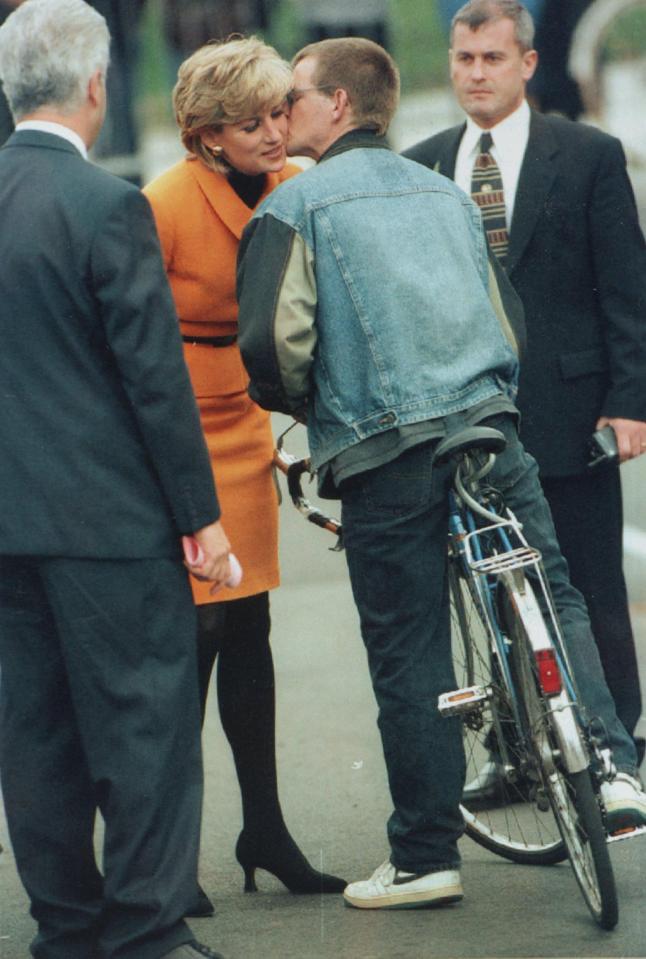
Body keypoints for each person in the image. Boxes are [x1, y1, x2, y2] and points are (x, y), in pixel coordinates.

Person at [236, 35, 646, 911]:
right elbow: (508, 316)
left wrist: (315, 411)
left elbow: (272, 347)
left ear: (337, 105)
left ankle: (426, 855)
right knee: (556, 586)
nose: (281, 115)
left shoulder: (295, 208)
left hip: (385, 449)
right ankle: (611, 763)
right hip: (491, 426)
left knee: (407, 647)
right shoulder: (446, 194)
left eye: (293, 98)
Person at [0, 1, 233, 957]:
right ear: (98, 85)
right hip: (109, 518)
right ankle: (147, 928)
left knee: (36, 736)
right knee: (143, 727)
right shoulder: (106, 206)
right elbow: (153, 378)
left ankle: (66, 925)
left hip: (9, 524)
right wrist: (201, 517)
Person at [402, 0, 646, 785]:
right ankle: (515, 751)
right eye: (464, 58)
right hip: (466, 421)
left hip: (572, 412)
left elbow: (628, 293)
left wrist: (631, 399)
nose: (476, 73)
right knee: (493, 592)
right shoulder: (424, 164)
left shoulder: (586, 156)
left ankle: (620, 749)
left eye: (492, 59)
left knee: (589, 585)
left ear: (528, 64)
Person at [143, 36, 345, 911]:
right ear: (206, 135)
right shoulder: (164, 201)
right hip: (178, 426)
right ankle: (166, 855)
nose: (274, 131)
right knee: (193, 645)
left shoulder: (294, 184)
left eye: (278, 114)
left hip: (245, 414)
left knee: (252, 633)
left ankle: (264, 827)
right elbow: (128, 338)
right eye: (251, 121)